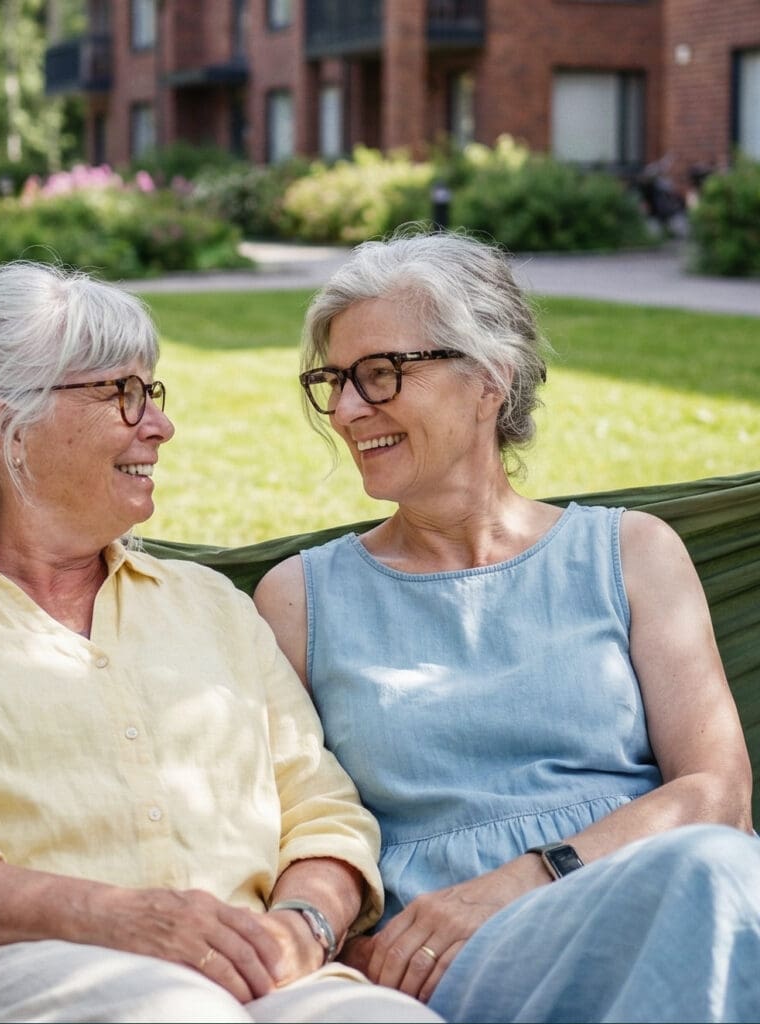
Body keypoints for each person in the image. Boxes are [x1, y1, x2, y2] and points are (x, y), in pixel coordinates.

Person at [0, 261, 438, 1024]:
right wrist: (116, 919)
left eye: (155, 392)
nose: (160, 424)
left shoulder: (208, 606)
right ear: (8, 427)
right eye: (124, 393)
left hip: (261, 980)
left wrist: (300, 929)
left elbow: (322, 812)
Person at [254, 229, 760, 1023]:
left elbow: (719, 794)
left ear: (489, 378)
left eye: (381, 374)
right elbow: (276, 824)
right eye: (335, 381)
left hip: (657, 895)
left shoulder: (632, 555)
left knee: (715, 873)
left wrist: (522, 880)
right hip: (446, 963)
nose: (349, 410)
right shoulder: (301, 600)